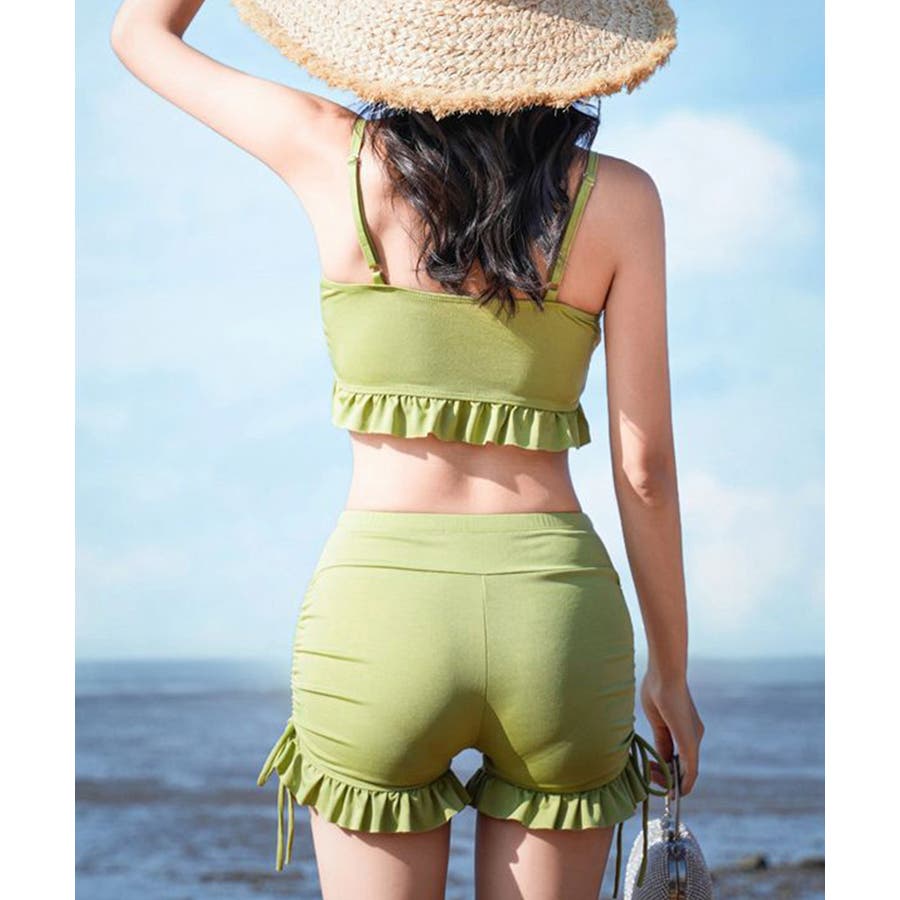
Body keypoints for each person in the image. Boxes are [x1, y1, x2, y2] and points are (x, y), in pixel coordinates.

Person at [110, 1, 704, 897]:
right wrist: (672, 672)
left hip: (380, 616)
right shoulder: (622, 199)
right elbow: (644, 470)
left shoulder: (330, 153)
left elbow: (141, 34)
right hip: (557, 618)